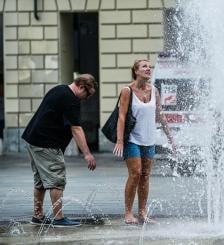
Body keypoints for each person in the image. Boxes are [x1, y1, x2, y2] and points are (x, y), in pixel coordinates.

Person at [22, 74, 97, 227]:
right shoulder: (70, 99)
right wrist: (87, 154)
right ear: (81, 87)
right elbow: (76, 128)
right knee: (57, 180)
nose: (86, 98)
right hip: (46, 143)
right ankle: (59, 218)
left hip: (33, 139)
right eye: (87, 94)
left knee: (41, 182)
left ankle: (38, 216)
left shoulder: (59, 89)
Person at [113, 59, 175, 225]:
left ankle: (142, 213)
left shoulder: (154, 90)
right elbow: (121, 116)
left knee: (145, 176)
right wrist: (120, 140)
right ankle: (128, 213)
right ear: (136, 71)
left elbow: (160, 115)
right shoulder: (127, 91)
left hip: (149, 139)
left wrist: (170, 138)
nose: (148, 68)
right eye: (144, 66)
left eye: (149, 66)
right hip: (132, 139)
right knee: (135, 174)